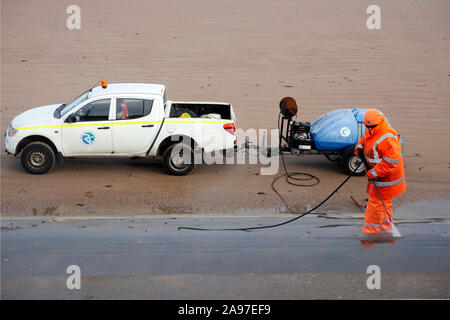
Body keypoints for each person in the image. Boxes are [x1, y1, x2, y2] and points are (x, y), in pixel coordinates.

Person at [354, 109, 406, 235]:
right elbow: (366, 139)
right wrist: (359, 147)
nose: (368, 129)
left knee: (376, 205)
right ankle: (386, 226)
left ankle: (372, 232)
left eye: (370, 127)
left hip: (386, 179)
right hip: (377, 175)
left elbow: (390, 163)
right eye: (367, 126)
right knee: (384, 203)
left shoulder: (387, 137)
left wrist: (373, 173)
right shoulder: (372, 128)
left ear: (377, 124)